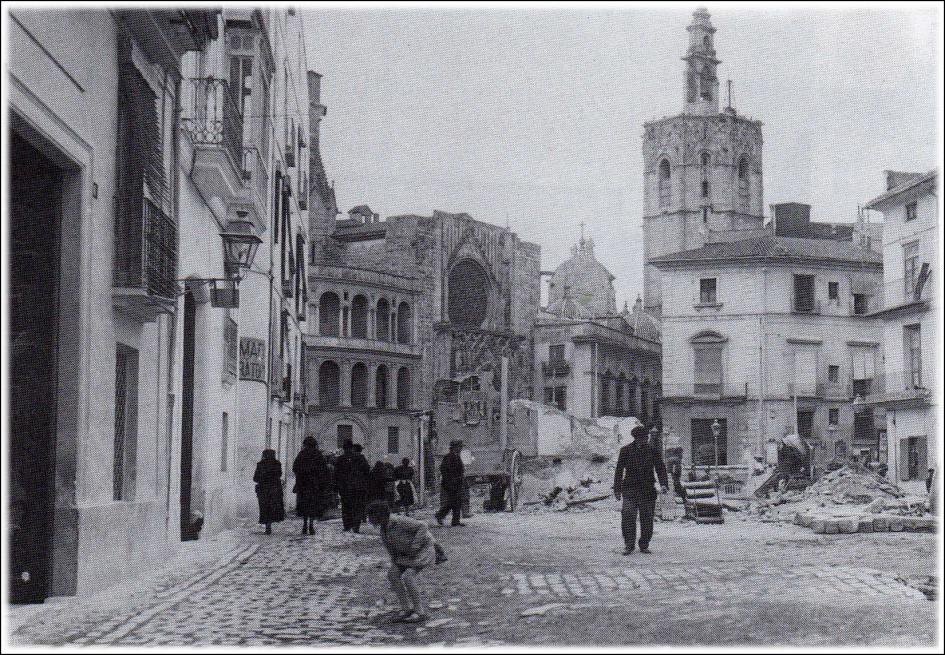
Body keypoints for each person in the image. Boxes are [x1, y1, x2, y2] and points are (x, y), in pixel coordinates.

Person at [367, 500, 439, 623]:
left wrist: (415, 546)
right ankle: (407, 609)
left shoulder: (399, 521)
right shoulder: (383, 529)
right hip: (406, 555)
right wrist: (395, 561)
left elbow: (423, 526)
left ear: (380, 515)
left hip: (423, 551)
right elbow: (391, 548)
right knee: (393, 575)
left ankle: (420, 612)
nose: (369, 519)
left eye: (371, 516)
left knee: (408, 577)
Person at [613, 425, 669, 555]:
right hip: (630, 490)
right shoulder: (625, 451)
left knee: (647, 519)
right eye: (643, 438)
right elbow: (619, 471)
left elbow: (660, 468)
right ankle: (629, 545)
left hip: (647, 490)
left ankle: (644, 544)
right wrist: (617, 489)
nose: (646, 440)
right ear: (636, 438)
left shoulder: (653, 451)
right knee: (627, 516)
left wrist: (664, 484)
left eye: (647, 438)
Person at [292, 437, 328, 535]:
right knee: (313, 505)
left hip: (303, 484)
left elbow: (295, 467)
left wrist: (301, 475)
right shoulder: (318, 454)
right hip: (315, 485)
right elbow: (324, 470)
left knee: (304, 505)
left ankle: (304, 525)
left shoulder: (302, 454)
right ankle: (311, 526)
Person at [335, 440, 371, 533]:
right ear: (351, 447)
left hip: (345, 488)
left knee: (346, 507)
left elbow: (336, 474)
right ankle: (356, 526)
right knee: (357, 507)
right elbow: (367, 471)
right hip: (359, 488)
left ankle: (347, 526)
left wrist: (337, 486)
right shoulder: (360, 457)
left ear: (343, 448)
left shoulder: (340, 459)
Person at [253, 449, 285, 535]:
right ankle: (269, 524)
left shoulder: (260, 464)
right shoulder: (277, 464)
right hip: (275, 489)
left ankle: (267, 526)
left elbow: (255, 478)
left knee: (265, 507)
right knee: (272, 507)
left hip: (263, 489)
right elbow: (279, 474)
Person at [435, 440, 466, 527]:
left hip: (456, 483)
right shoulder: (449, 457)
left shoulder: (456, 456)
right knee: (453, 502)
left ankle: (454, 521)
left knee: (456, 501)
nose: (461, 448)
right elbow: (444, 470)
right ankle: (441, 515)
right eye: (460, 446)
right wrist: (451, 481)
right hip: (451, 484)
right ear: (455, 447)